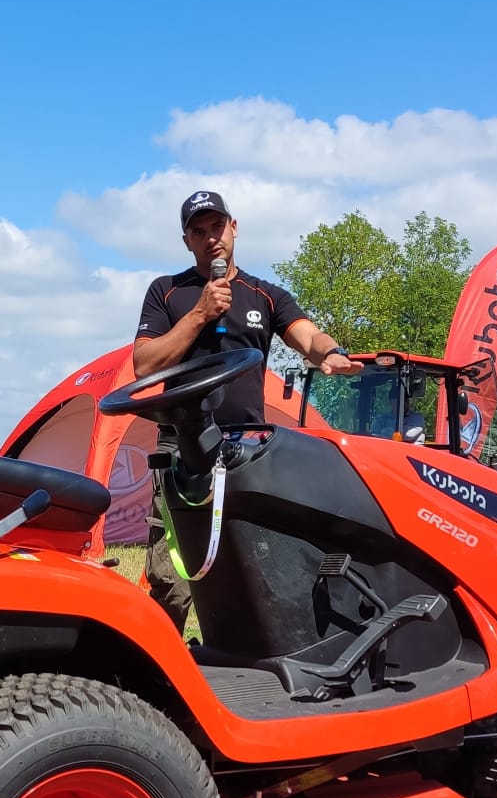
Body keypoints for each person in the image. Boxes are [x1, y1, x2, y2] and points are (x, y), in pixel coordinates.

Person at [133, 190, 361, 631]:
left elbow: (308, 336)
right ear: (187, 241)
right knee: (172, 572)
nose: (210, 239)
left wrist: (330, 353)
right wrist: (199, 314)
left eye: (217, 227)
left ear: (233, 227)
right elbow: (145, 363)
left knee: (251, 559)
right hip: (181, 448)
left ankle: (244, 664)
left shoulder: (266, 295)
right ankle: (161, 675)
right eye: (198, 232)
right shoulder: (167, 292)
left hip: (245, 447)